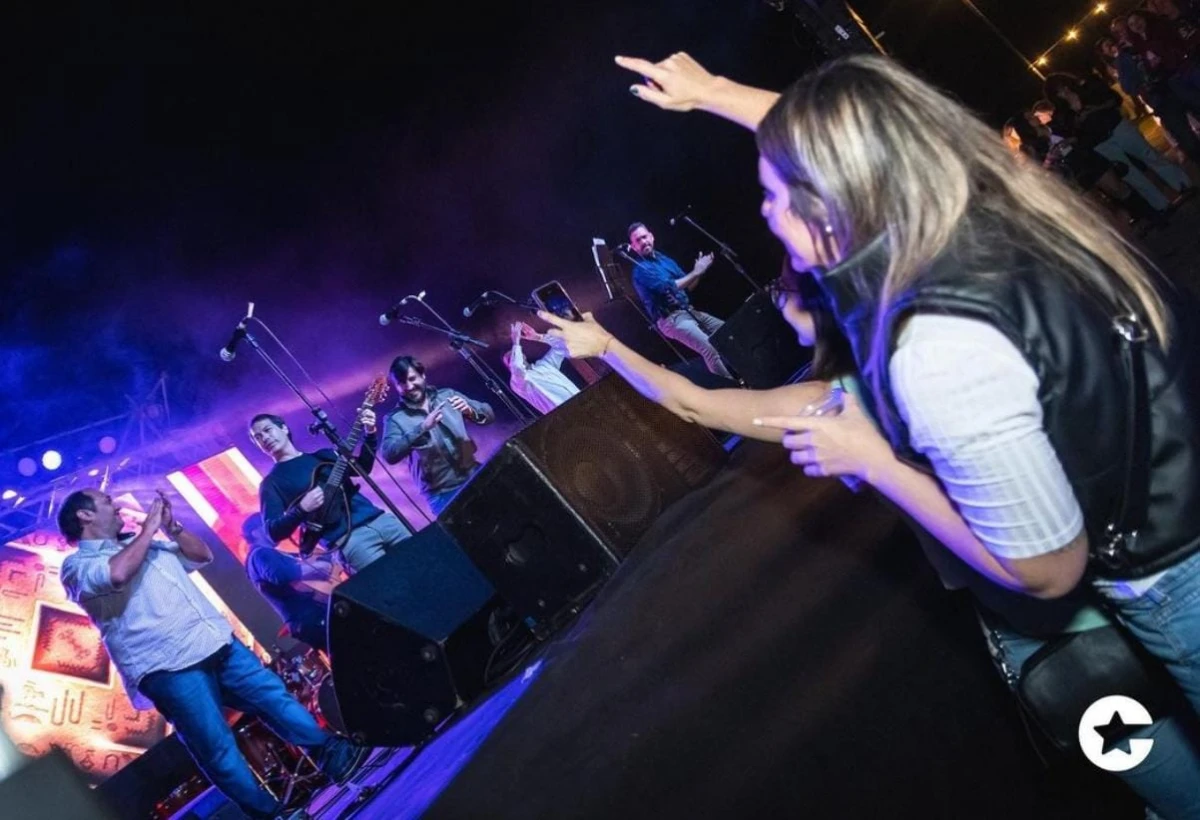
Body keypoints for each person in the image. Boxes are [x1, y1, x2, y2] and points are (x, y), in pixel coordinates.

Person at [557, 47, 1200, 809]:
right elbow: (888, 149)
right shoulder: (994, 222)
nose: (766, 217)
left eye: (775, 199)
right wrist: (713, 92)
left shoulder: (898, 372)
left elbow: (1047, 567)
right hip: (1116, 572)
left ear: (832, 231)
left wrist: (870, 456)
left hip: (1120, 594)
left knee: (1169, 790)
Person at [58, 489, 367, 820]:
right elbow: (116, 575)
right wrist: (147, 529)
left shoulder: (142, 544)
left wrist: (171, 527)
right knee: (217, 747)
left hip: (215, 641)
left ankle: (333, 757)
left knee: (273, 697)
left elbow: (200, 555)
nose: (116, 505)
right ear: (84, 515)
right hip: (168, 667)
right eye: (106, 502)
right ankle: (273, 814)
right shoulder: (77, 565)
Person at [251, 409, 411, 574]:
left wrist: (370, 433)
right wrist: (301, 509)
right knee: (392, 589)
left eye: (267, 430)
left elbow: (363, 468)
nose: (265, 438)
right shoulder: (271, 483)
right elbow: (272, 532)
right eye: (258, 437)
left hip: (383, 521)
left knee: (428, 561)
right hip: (350, 541)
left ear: (284, 428)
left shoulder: (322, 456)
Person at [381, 355, 495, 515]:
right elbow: (389, 454)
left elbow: (489, 415)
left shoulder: (447, 395)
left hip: (476, 475)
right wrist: (423, 427)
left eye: (412, 378)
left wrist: (470, 411)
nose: (409, 386)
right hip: (442, 495)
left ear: (423, 375)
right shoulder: (395, 419)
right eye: (401, 383)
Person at [627, 220, 733, 379]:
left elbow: (688, 285)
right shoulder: (641, 269)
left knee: (728, 334)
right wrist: (696, 272)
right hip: (671, 319)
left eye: (644, 237)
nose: (643, 242)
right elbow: (670, 287)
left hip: (688, 311)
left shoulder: (665, 260)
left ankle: (750, 375)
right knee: (709, 348)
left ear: (651, 236)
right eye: (638, 240)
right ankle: (731, 393)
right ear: (634, 246)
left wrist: (700, 270)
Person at [243, 513, 335, 653]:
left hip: (311, 615)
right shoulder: (259, 554)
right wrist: (317, 569)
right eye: (270, 526)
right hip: (309, 617)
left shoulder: (273, 554)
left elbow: (318, 558)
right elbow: (280, 574)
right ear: (255, 532)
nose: (277, 529)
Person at [504, 321, 581, 414]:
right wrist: (516, 343)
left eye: (513, 354)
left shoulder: (544, 364)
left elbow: (562, 347)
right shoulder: (517, 384)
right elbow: (517, 368)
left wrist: (538, 337)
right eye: (510, 359)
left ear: (523, 355)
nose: (514, 356)